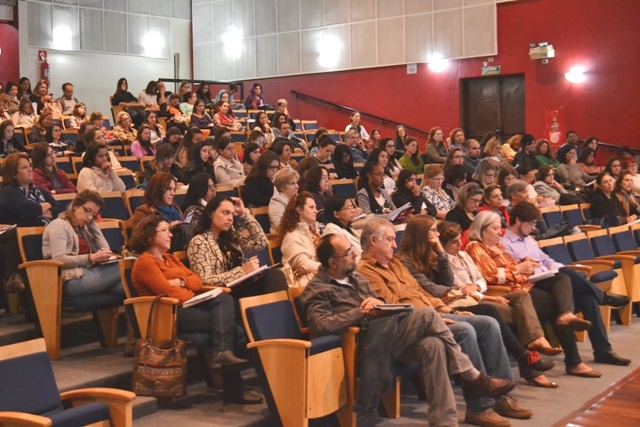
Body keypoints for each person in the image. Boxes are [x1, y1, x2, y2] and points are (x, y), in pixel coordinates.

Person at [301, 233, 517, 427]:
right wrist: (361, 312)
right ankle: (473, 378)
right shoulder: (317, 289)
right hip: (366, 345)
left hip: (388, 336)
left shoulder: (355, 277)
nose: (355, 254)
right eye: (348, 253)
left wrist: (377, 302)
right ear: (332, 263)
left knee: (434, 345)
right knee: (428, 314)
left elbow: (383, 302)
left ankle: (444, 421)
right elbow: (321, 326)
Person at [356, 218, 524, 425]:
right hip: (406, 327)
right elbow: (394, 307)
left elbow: (420, 292)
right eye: (390, 240)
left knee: (488, 323)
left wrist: (449, 310)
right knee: (465, 331)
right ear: (373, 241)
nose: (394, 244)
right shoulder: (365, 271)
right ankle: (479, 404)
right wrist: (435, 318)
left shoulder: (395, 263)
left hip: (432, 314)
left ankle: (502, 397)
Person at [397, 216, 557, 387]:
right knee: (490, 314)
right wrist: (461, 290)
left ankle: (520, 366)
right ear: (421, 234)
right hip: (440, 305)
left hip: (454, 299)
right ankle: (520, 363)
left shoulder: (433, 255)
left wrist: (441, 254)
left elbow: (448, 282)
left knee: (522, 300)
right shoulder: (405, 261)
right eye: (433, 231)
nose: (437, 235)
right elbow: (431, 288)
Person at [130, 215, 259, 404]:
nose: (170, 235)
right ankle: (232, 384)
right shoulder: (146, 262)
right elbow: (169, 293)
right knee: (234, 328)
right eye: (164, 231)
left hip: (188, 306)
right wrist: (184, 288)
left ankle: (223, 357)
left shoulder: (170, 259)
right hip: (168, 315)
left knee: (224, 299)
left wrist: (181, 282)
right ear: (150, 236)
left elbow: (197, 280)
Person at [466, 210, 607, 379]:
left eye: (499, 228)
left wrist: (524, 267)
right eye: (495, 229)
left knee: (562, 276)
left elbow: (514, 269)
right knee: (557, 306)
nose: (499, 232)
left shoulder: (499, 247)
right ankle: (571, 361)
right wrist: (518, 269)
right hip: (511, 292)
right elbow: (490, 275)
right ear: (482, 229)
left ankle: (569, 324)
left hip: (524, 285)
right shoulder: (475, 247)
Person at [502, 201, 631, 367]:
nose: (534, 227)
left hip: (550, 281)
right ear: (518, 220)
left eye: (535, 223)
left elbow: (546, 260)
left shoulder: (529, 240)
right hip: (532, 286)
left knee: (586, 297)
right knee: (566, 277)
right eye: (531, 223)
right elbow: (514, 274)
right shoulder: (505, 244)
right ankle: (602, 297)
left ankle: (603, 351)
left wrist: (555, 268)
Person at [187, 195, 287, 298]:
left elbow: (261, 242)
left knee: (275, 274)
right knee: (273, 277)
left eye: (232, 214)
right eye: (225, 213)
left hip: (239, 287)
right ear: (210, 214)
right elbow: (203, 281)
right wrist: (242, 271)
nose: (230, 218)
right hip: (223, 295)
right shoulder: (199, 241)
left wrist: (244, 214)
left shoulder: (231, 238)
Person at [42, 190, 124, 297]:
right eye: (87, 210)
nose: (89, 217)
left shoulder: (82, 229)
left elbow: (105, 250)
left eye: (93, 215)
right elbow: (59, 259)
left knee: (131, 285)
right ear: (75, 205)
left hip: (88, 274)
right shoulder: (59, 225)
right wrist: (91, 258)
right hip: (69, 280)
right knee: (127, 267)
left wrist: (92, 224)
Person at [0, 152, 61, 226]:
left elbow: (59, 209)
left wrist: (38, 212)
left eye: (29, 166)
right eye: (24, 167)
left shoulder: (38, 190)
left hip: (47, 230)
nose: (30, 169)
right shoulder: (9, 192)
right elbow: (30, 210)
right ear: (13, 174)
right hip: (24, 234)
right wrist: (47, 204)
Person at [280, 192, 322, 285]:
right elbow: (304, 265)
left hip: (320, 275)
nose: (316, 211)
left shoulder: (314, 232)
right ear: (299, 210)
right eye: (311, 207)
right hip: (307, 282)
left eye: (315, 207)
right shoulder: (291, 236)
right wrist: (330, 268)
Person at [321, 194, 364, 261]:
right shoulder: (332, 231)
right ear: (336, 214)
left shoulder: (346, 227)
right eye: (348, 208)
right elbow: (344, 259)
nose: (353, 211)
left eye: (352, 207)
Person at [269, 168, 299, 234]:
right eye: (292, 183)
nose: (297, 186)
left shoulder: (297, 200)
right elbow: (280, 226)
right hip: (282, 238)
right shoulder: (277, 201)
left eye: (296, 183)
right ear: (282, 187)